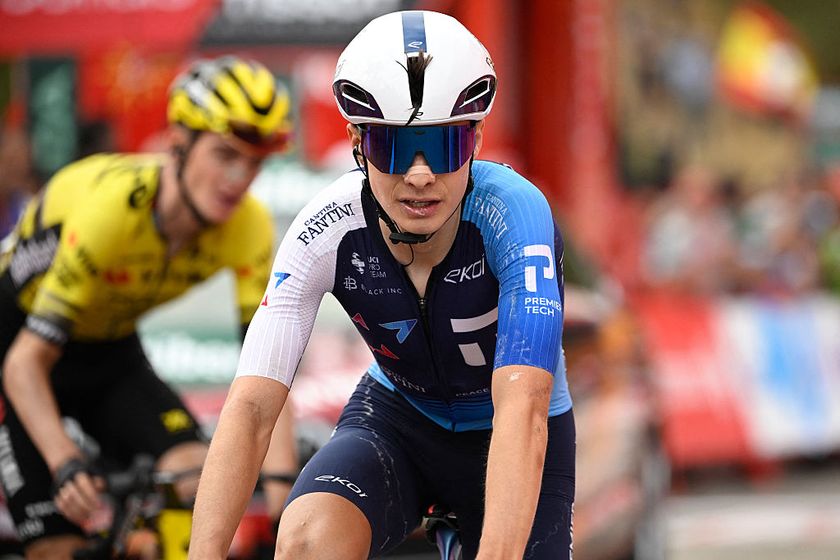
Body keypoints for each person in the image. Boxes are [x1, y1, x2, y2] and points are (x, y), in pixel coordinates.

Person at [190, 11, 574, 560]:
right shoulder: (325, 227)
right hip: (401, 421)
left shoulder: (515, 213)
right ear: (356, 142)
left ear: (478, 139)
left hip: (508, 427)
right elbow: (251, 409)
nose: (420, 174)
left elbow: (524, 406)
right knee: (304, 544)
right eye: (393, 148)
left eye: (445, 147)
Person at [0, 55, 298, 560]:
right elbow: (24, 362)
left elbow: (271, 371)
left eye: (254, 162)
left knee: (196, 473)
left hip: (109, 350)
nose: (240, 178)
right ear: (179, 143)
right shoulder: (111, 214)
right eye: (226, 154)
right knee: (59, 547)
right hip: (20, 351)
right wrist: (65, 462)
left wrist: (282, 499)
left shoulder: (246, 226)